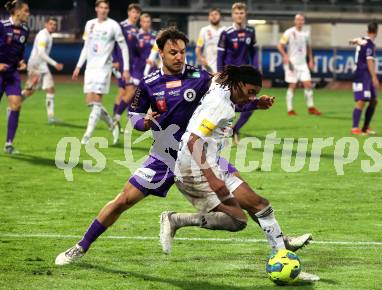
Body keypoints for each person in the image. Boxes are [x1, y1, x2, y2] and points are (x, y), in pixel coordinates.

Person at [55, 27, 310, 266]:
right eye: (172, 52)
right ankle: (81, 246)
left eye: (182, 52)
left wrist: (254, 103)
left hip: (202, 155)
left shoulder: (200, 77)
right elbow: (133, 116)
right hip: (164, 157)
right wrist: (142, 121)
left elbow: (227, 100)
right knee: (123, 200)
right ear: (161, 53)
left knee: (249, 200)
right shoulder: (149, 83)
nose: (178, 57)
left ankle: (280, 241)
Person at [163, 65, 318, 282]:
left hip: (212, 162)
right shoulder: (220, 106)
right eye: (250, 92)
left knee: (261, 205)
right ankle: (176, 219)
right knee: (237, 221)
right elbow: (193, 140)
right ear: (237, 84)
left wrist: (254, 102)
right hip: (194, 170)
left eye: (255, 92)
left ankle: (282, 253)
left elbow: (216, 77)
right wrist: (211, 178)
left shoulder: (221, 84)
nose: (251, 96)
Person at [72, 0, 130, 145]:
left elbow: (124, 48)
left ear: (108, 10)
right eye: (101, 8)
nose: (104, 10)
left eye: (106, 8)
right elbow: (86, 46)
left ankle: (87, 135)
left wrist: (126, 68)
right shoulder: (89, 24)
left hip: (104, 68)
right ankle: (112, 125)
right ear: (96, 9)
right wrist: (78, 66)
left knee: (97, 101)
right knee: (91, 102)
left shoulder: (113, 26)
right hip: (90, 68)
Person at [217, 2, 258, 144]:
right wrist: (220, 73)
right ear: (232, 15)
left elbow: (254, 53)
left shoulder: (251, 32)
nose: (239, 16)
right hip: (230, 76)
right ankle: (217, 134)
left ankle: (235, 129)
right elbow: (220, 55)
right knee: (226, 106)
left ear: (245, 14)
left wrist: (256, 72)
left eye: (241, 13)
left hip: (245, 76)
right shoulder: (226, 33)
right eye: (236, 13)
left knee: (250, 106)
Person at [277, 14, 321, 116]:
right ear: (295, 21)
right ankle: (290, 109)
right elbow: (280, 45)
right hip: (292, 64)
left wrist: (311, 60)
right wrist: (285, 56)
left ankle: (311, 107)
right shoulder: (289, 32)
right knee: (293, 85)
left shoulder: (305, 34)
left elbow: (309, 47)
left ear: (303, 22)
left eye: (302, 20)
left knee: (308, 85)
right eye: (298, 20)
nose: (300, 21)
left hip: (303, 64)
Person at [0, 0, 30, 154]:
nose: (28, 13)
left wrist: (21, 62)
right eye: (26, 10)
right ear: (17, 12)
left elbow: (20, 52)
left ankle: (9, 144)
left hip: (12, 73)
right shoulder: (2, 26)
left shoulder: (25, 30)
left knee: (16, 105)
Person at [22, 17, 64, 123]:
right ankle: (13, 105)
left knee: (50, 89)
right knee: (30, 90)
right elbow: (41, 53)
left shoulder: (49, 36)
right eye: (51, 24)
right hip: (35, 66)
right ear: (46, 24)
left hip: (42, 66)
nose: (53, 26)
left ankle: (51, 118)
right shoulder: (43, 35)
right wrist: (55, 64)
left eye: (54, 24)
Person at [112, 3, 141, 126]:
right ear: (129, 12)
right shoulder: (121, 26)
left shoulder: (136, 30)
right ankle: (117, 118)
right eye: (133, 12)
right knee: (131, 90)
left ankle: (114, 121)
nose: (136, 15)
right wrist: (114, 60)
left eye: (138, 13)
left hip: (131, 65)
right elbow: (113, 43)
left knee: (122, 92)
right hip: (121, 64)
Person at [350, 22, 379, 135]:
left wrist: (354, 41)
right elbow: (369, 60)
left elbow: (351, 41)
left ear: (367, 31)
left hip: (365, 74)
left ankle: (366, 127)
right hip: (362, 74)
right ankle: (355, 128)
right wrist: (374, 77)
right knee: (361, 100)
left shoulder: (362, 39)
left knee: (373, 101)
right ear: (376, 32)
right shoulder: (370, 44)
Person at [196, 8, 224, 73]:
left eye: (216, 14)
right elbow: (198, 49)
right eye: (211, 15)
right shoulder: (204, 30)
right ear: (209, 17)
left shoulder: (225, 30)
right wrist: (202, 59)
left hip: (222, 68)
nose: (214, 16)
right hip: (208, 68)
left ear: (220, 16)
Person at [131, 13, 157, 86]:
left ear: (150, 23)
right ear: (140, 22)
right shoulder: (136, 35)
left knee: (152, 92)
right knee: (134, 91)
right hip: (138, 67)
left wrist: (155, 61)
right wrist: (144, 59)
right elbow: (132, 52)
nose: (146, 24)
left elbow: (158, 51)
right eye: (144, 22)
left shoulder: (155, 35)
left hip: (151, 67)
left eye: (148, 22)